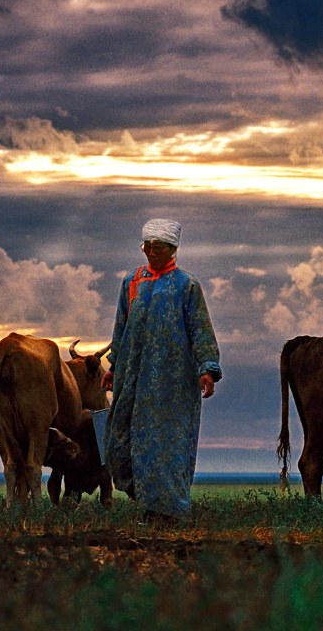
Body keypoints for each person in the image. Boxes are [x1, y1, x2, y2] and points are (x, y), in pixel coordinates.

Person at [100, 218, 222, 525]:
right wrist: (114, 366)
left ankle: (168, 513)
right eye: (148, 247)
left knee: (168, 445)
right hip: (133, 378)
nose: (152, 252)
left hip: (174, 380)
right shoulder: (131, 282)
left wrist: (207, 368)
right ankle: (148, 503)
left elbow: (200, 328)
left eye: (159, 247)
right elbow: (121, 326)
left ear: (173, 249)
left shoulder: (187, 285)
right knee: (121, 440)